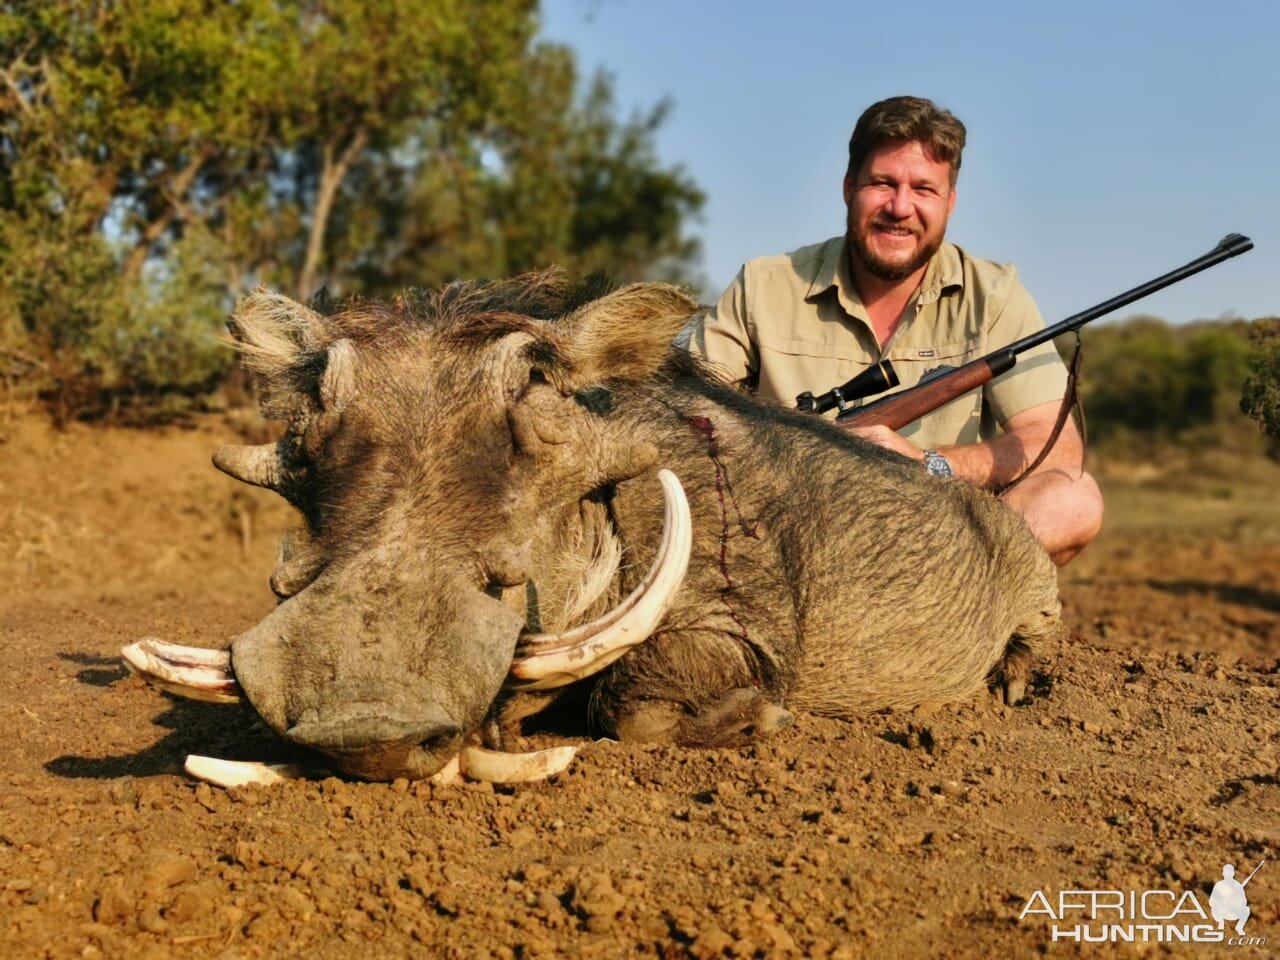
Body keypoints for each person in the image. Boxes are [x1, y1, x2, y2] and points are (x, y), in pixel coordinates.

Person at [683, 95, 1102, 565]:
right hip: (781, 536)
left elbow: (1056, 447)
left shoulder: (995, 295)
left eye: (924, 189)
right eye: (883, 183)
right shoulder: (764, 284)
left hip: (934, 544)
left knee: (1072, 498)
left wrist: (929, 465)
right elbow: (681, 415)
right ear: (848, 188)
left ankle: (932, 611)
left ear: (950, 202)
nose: (900, 207)